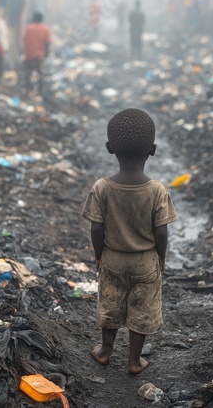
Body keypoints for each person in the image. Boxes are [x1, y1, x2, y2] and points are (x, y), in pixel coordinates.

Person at [82, 108, 178, 374]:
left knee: (110, 303)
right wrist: (161, 258)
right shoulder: (156, 190)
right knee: (142, 309)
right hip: (146, 261)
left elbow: (96, 228)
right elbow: (161, 232)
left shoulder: (102, 187)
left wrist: (99, 255)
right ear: (153, 149)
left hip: (112, 257)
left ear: (109, 148)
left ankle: (104, 351)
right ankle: (135, 361)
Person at [23, 12, 52, 95]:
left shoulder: (28, 28)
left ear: (33, 18)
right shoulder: (45, 29)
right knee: (41, 75)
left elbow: (25, 41)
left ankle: (28, 90)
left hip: (29, 56)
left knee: (28, 74)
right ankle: (40, 92)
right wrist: (46, 55)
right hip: (39, 57)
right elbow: (47, 44)